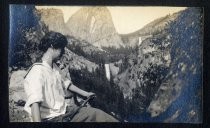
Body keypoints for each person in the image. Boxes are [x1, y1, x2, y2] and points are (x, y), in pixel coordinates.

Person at [23, 31, 118, 122]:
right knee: (97, 116)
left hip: (64, 112)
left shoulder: (54, 67)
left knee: (99, 115)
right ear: (52, 47)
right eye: (61, 48)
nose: (64, 52)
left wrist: (85, 94)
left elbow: (66, 83)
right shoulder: (37, 71)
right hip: (53, 118)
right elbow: (34, 103)